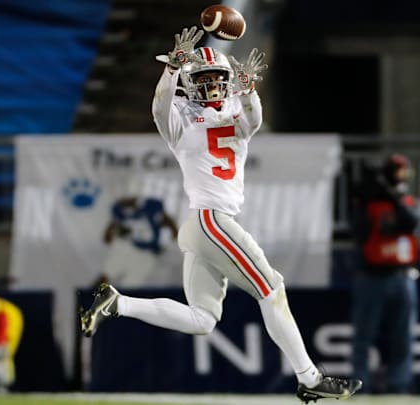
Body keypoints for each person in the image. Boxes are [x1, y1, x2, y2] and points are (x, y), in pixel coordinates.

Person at [80, 26, 363, 403]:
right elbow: (159, 106)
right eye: (204, 78)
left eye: (218, 77)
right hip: (211, 220)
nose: (212, 84)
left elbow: (254, 118)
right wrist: (172, 69)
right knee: (272, 287)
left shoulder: (236, 111)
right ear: (190, 82)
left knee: (203, 319)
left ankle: (118, 303)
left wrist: (248, 87)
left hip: (205, 225)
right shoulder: (180, 120)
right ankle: (309, 378)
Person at [350, 153, 419, 393]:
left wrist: (394, 198)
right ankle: (360, 383)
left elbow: (410, 222)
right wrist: (369, 195)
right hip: (371, 276)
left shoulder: (404, 200)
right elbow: (361, 231)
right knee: (363, 335)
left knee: (402, 336)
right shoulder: (369, 201)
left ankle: (400, 385)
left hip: (402, 275)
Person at [96, 196, 179, 287]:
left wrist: (174, 232)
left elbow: (167, 220)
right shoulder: (122, 214)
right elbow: (110, 231)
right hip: (128, 248)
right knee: (105, 276)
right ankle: (89, 297)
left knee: (130, 286)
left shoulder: (151, 209)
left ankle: (121, 299)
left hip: (147, 254)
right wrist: (110, 233)